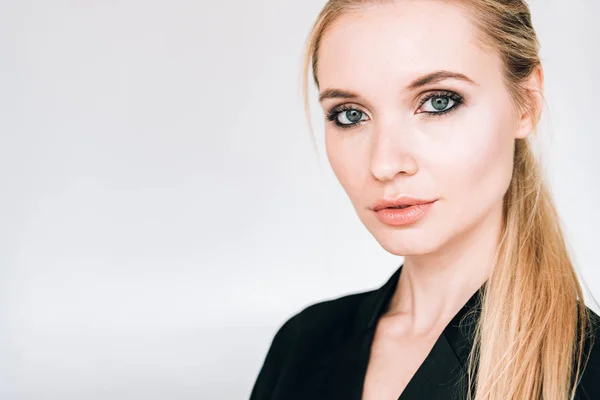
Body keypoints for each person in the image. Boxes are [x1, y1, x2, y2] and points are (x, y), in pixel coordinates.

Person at [249, 0, 600, 399]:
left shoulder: (588, 374)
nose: (384, 164)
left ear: (527, 104)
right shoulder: (303, 345)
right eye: (350, 114)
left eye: (438, 102)